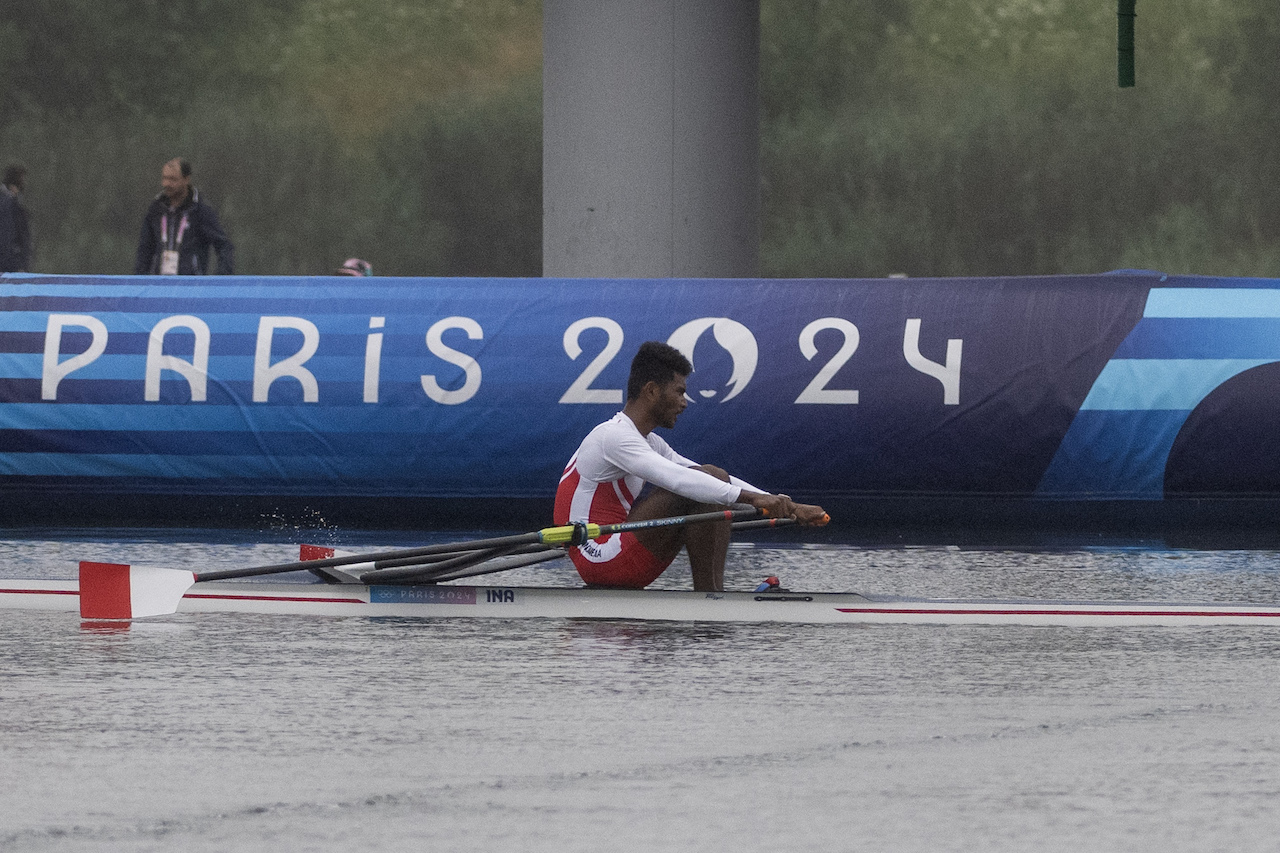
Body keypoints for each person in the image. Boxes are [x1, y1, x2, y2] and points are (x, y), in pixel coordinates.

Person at [554, 341, 828, 592]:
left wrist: (788, 505)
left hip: (616, 549)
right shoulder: (612, 436)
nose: (685, 403)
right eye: (680, 392)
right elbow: (679, 480)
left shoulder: (650, 442)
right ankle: (711, 598)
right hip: (597, 555)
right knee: (705, 483)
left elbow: (709, 477)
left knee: (711, 481)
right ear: (651, 390)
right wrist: (755, 499)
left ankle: (710, 596)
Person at [134, 158, 235, 275]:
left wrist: (218, 281)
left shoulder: (200, 209)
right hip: (160, 286)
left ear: (186, 179)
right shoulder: (156, 209)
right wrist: (141, 282)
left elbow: (223, 245)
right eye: (165, 178)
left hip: (190, 287)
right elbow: (144, 250)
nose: (166, 184)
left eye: (173, 179)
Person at [0, 165, 31, 273]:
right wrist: (18, 265)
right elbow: (8, 236)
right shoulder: (10, 206)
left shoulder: (10, 205)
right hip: (9, 267)